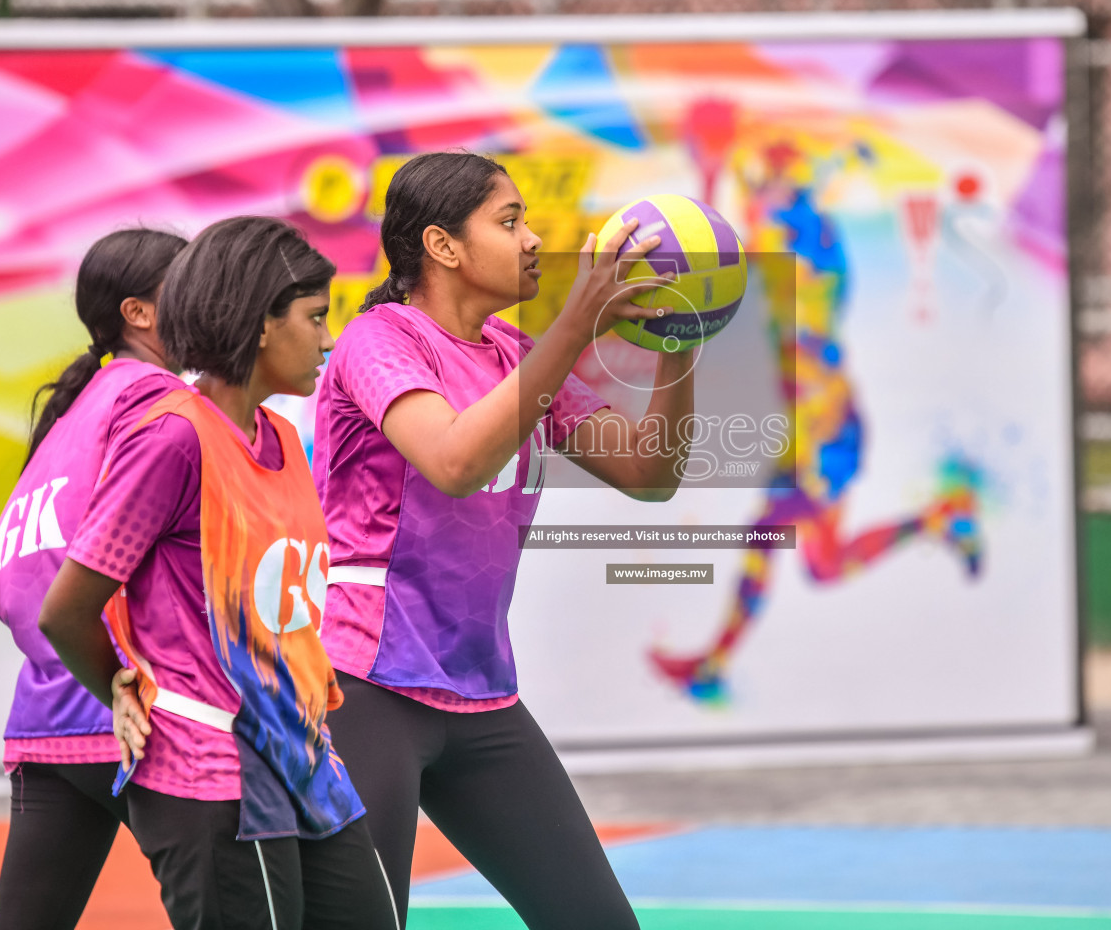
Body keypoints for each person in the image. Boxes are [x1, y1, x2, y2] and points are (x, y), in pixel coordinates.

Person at [313, 150, 694, 928]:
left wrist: (682, 341)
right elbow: (454, 459)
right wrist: (576, 325)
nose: (532, 241)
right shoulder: (378, 341)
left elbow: (649, 471)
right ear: (443, 246)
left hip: (480, 692)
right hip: (363, 685)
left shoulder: (513, 356)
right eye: (510, 220)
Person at [38, 216, 399, 930]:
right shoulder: (173, 437)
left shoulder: (286, 442)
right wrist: (118, 683)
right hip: (210, 769)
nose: (329, 339)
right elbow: (66, 609)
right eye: (315, 317)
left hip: (304, 758)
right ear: (259, 324)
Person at [0, 228, 186, 930]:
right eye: (191, 282)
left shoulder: (73, 413)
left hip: (46, 723)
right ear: (140, 313)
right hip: (140, 717)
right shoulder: (150, 402)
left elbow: (2, 579)